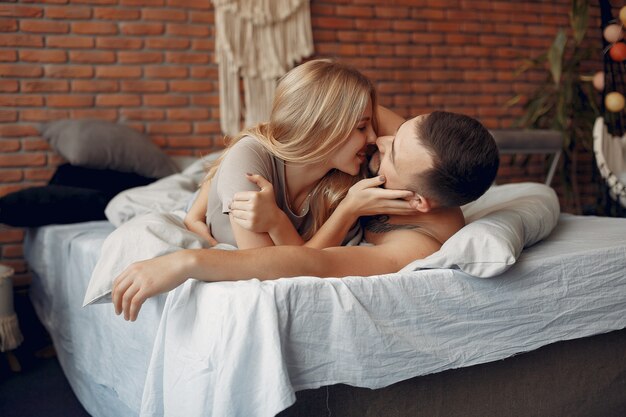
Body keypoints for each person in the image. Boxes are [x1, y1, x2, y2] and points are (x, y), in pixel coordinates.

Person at [112, 110, 500, 321]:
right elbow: (309, 114)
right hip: (243, 171)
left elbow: (308, 261)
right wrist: (201, 201)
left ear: (418, 203)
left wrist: (188, 260)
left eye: (392, 152)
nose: (380, 138)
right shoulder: (421, 144)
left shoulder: (410, 247)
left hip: (294, 200)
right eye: (398, 134)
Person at [184, 59, 416, 250]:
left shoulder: (346, 179)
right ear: (322, 127)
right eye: (362, 127)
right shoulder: (249, 159)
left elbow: (417, 146)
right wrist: (347, 211)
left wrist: (279, 222)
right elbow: (272, 270)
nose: (375, 138)